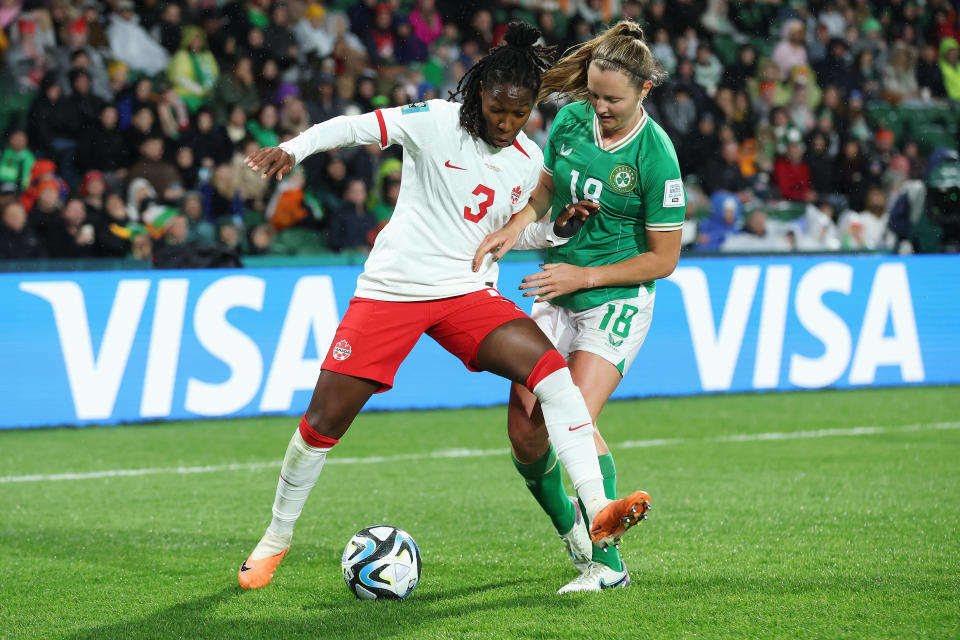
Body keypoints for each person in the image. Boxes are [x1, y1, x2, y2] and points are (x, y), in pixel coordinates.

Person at [238, 22, 651, 591]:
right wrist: (293, 148)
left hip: (466, 294)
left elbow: (508, 232)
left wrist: (554, 229)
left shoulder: (530, 159)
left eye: (520, 113)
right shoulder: (433, 121)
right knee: (322, 424)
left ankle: (597, 511)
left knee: (551, 374)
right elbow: (355, 127)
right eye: (496, 110)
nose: (506, 124)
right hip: (393, 292)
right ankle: (275, 539)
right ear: (477, 92)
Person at [472, 19, 683, 593]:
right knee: (524, 432)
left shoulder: (656, 156)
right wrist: (516, 228)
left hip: (612, 299)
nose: (600, 108)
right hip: (559, 289)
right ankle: (574, 527)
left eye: (612, 99)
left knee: (573, 417)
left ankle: (608, 565)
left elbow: (664, 259)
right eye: (594, 94)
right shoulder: (569, 122)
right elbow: (544, 191)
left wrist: (582, 273)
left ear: (644, 91)